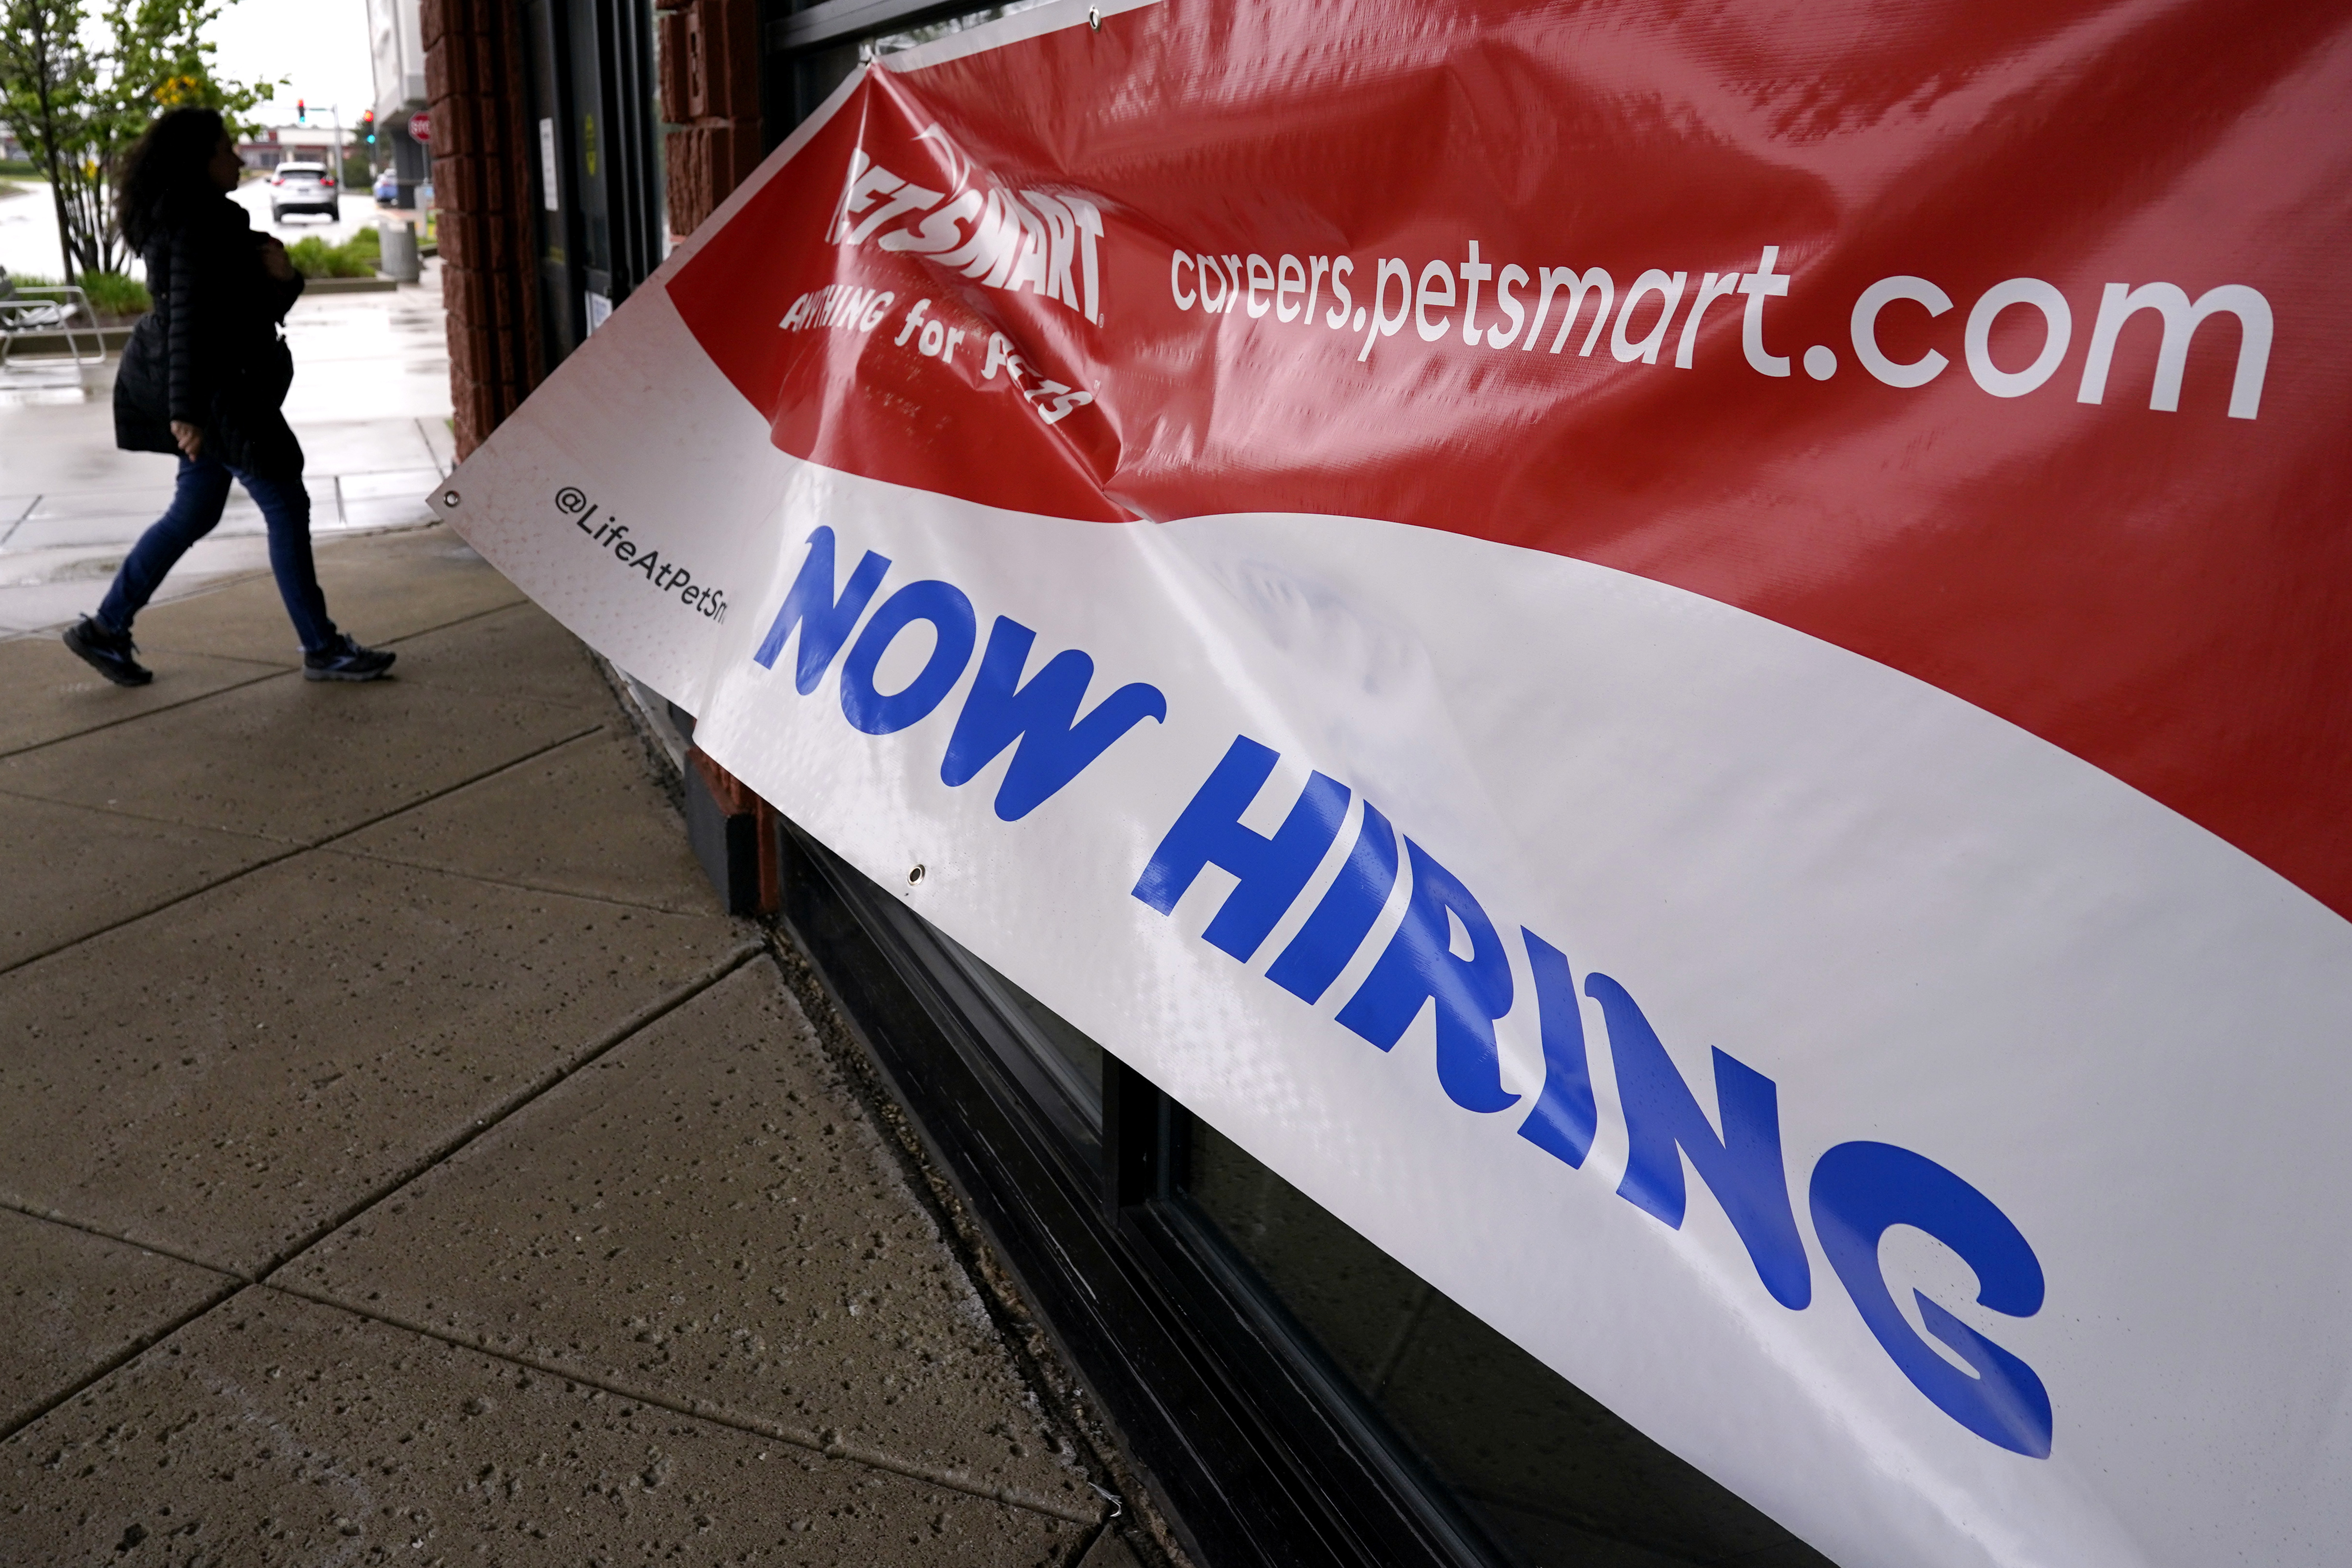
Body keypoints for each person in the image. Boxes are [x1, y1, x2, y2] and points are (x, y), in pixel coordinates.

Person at [62, 107, 394, 686]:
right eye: (226, 149)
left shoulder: (205, 221)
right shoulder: (196, 225)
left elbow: (239, 312)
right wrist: (186, 413)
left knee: (195, 508)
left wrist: (283, 278)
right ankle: (322, 647)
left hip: (216, 385)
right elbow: (188, 324)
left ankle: (106, 628)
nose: (238, 158)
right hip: (220, 391)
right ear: (198, 161)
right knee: (285, 501)